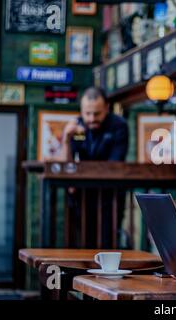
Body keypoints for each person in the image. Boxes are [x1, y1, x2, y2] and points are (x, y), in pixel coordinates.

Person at [57, 87, 129, 248]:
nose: (91, 119)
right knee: (82, 245)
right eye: (87, 113)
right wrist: (67, 139)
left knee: (107, 244)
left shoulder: (119, 125)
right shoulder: (75, 126)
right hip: (82, 197)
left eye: (96, 114)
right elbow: (64, 166)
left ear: (107, 108)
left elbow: (114, 165)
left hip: (110, 197)